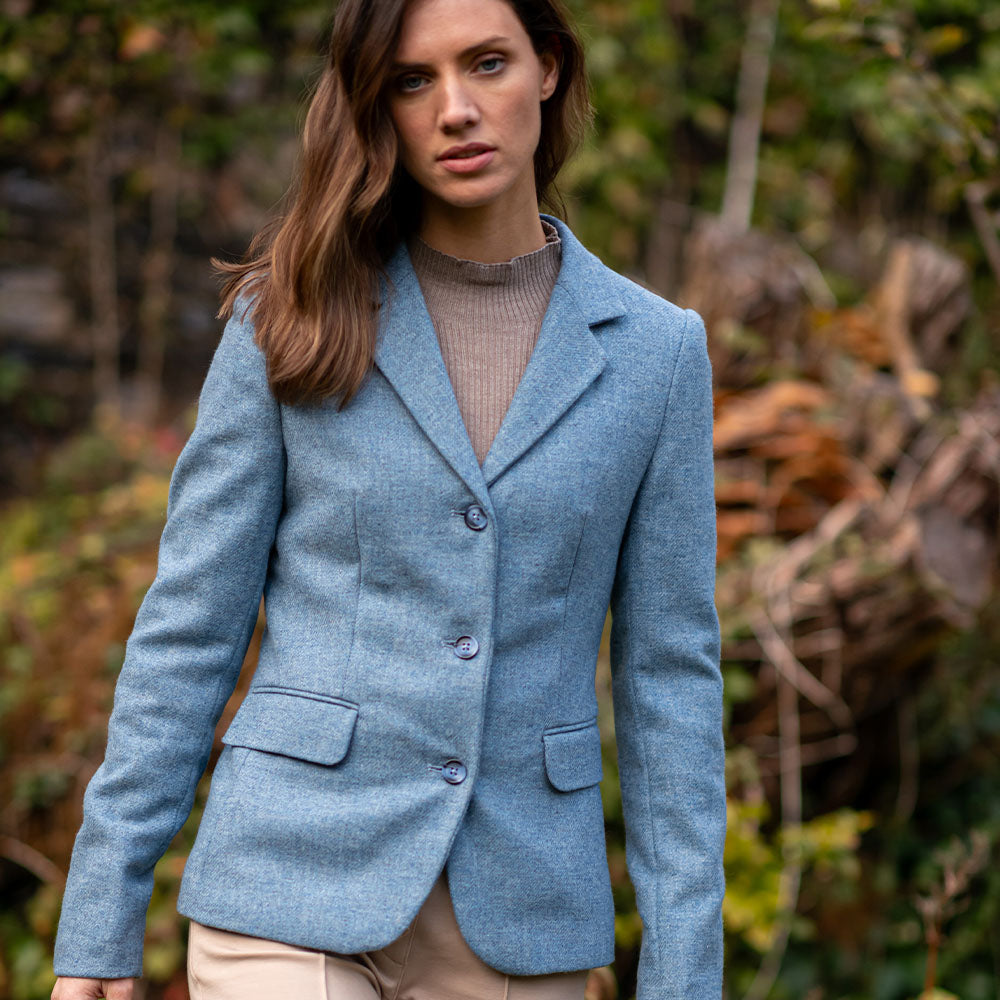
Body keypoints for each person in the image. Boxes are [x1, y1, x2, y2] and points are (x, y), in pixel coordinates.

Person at [51, 0, 726, 997]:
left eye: (487, 63)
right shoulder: (289, 315)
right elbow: (189, 628)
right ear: (378, 106)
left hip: (522, 912)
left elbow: (671, 682)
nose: (455, 109)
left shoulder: (657, 355)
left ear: (546, 67)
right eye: (413, 80)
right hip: (285, 882)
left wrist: (685, 975)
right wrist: (101, 911)